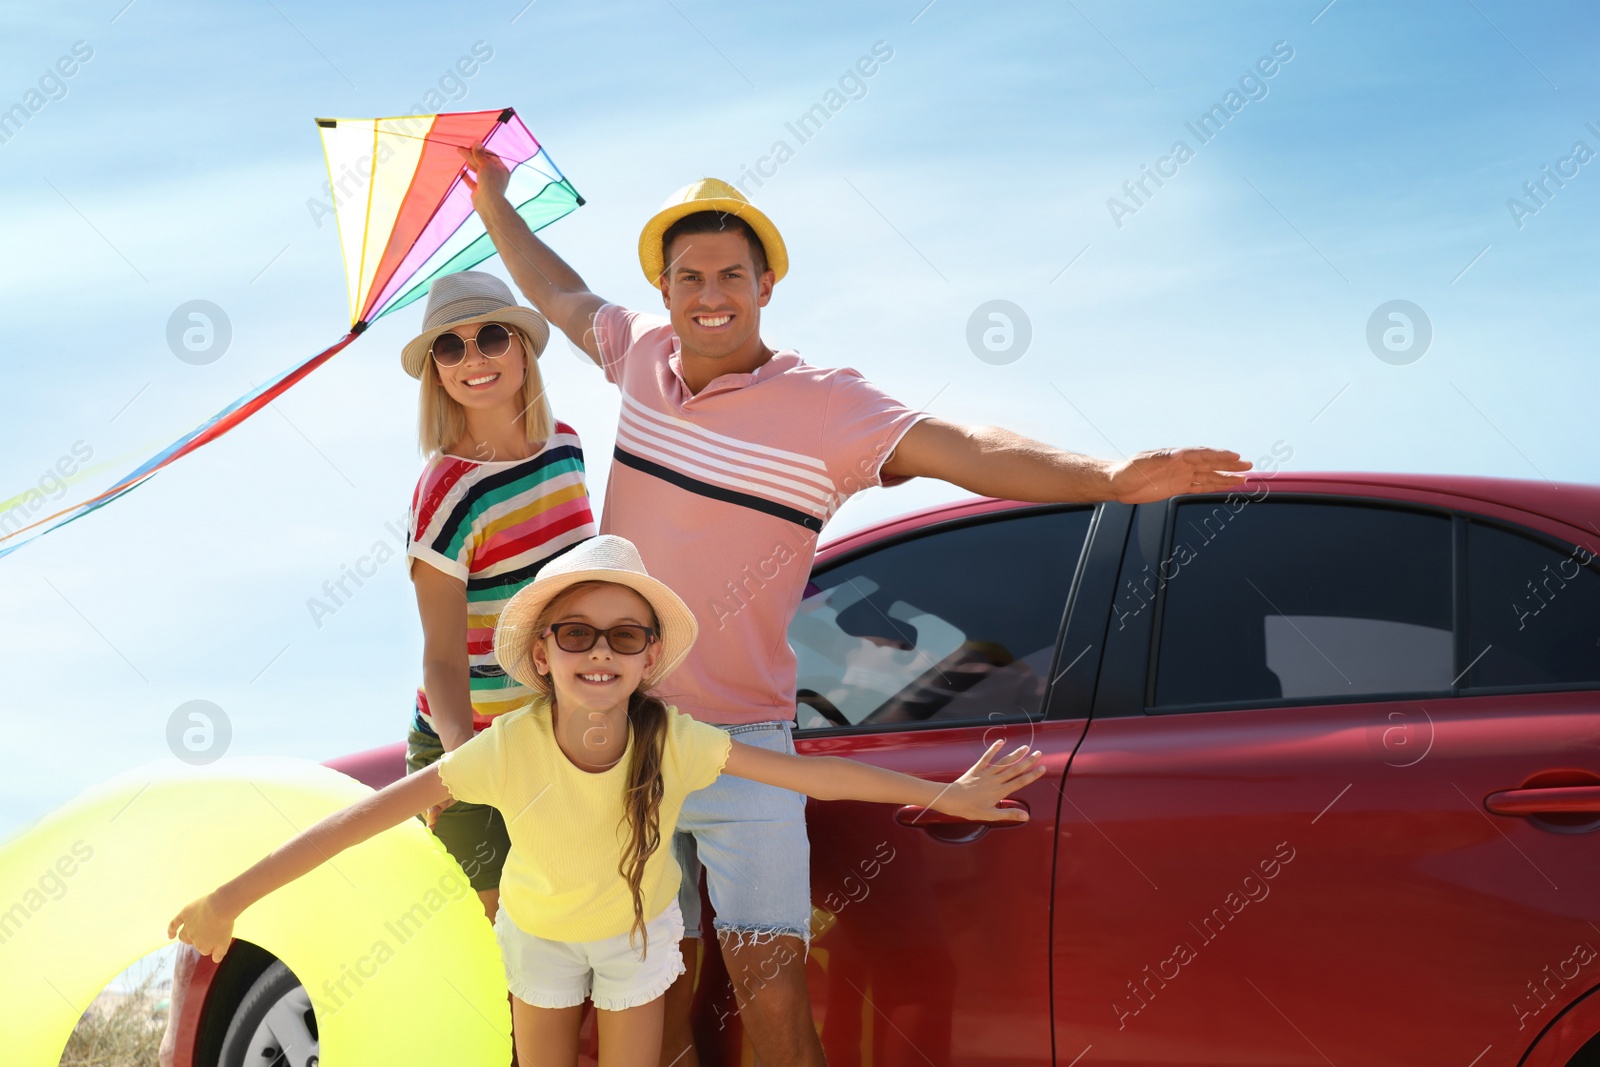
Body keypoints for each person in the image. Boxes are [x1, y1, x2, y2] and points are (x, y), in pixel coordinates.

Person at [458, 147, 1253, 1065]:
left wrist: (1105, 477)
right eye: (688, 277)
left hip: (747, 748)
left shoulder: (828, 409)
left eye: (730, 275)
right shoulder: (640, 352)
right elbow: (559, 296)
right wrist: (491, 203)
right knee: (652, 1002)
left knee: (774, 1000)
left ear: (764, 286)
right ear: (665, 290)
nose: (709, 293)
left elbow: (965, 445)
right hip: (620, 742)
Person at [167, 534, 1044, 1067]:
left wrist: (947, 793)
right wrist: (229, 898)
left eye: (624, 636)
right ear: (543, 653)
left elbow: (816, 776)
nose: (600, 651)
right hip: (541, 938)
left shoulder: (675, 737)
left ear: (649, 656)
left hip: (635, 940)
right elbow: (359, 817)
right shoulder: (509, 748)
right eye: (577, 633)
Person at [158, 269, 595, 1067]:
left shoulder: (565, 449)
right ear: (435, 372)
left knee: (556, 950)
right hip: (472, 741)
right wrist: (468, 756)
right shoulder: (446, 492)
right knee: (486, 955)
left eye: (491, 336)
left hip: (556, 740)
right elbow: (441, 650)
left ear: (525, 348)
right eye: (451, 348)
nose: (474, 358)